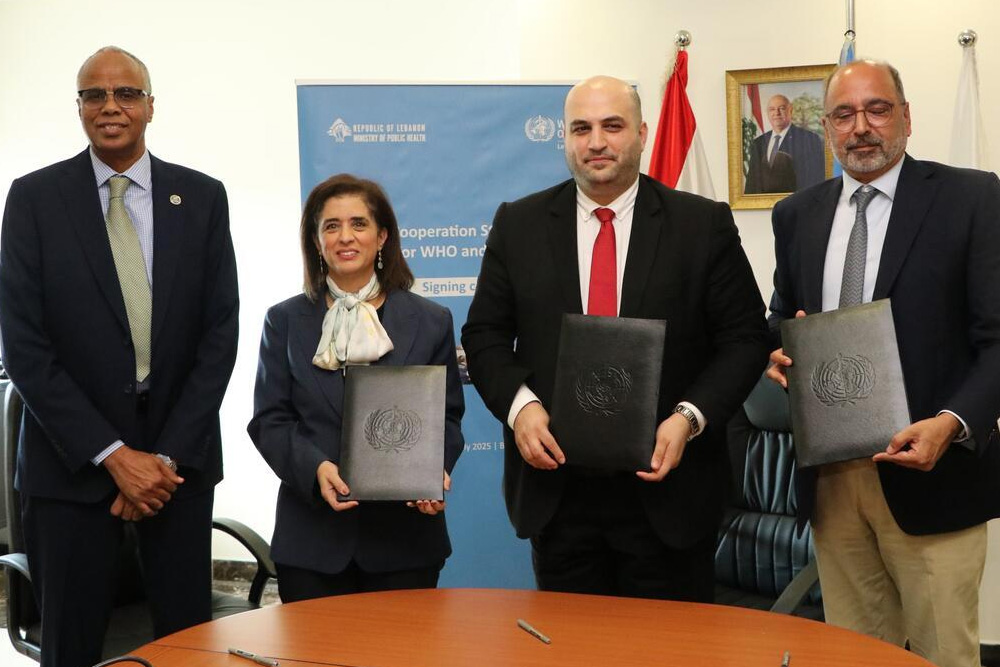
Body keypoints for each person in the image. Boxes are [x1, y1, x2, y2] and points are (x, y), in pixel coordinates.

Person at [461, 75, 768, 600]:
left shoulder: (701, 225)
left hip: (668, 489)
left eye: (612, 126)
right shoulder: (519, 224)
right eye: (581, 128)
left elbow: (745, 339)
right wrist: (520, 408)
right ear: (564, 137)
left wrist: (689, 417)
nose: (596, 142)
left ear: (643, 133)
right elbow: (484, 335)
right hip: (558, 494)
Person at [0, 46, 238, 667]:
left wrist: (158, 460)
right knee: (70, 648)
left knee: (187, 647)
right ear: (79, 108)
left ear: (150, 106)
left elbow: (219, 338)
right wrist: (113, 456)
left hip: (176, 468)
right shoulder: (32, 200)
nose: (111, 106)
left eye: (126, 93)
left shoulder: (203, 198)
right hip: (71, 468)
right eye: (94, 95)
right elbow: (23, 346)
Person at [766, 60, 1000, 667]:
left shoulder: (972, 198)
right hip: (834, 483)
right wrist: (775, 349)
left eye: (877, 109)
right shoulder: (796, 215)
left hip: (933, 475)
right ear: (829, 128)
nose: (861, 127)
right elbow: (781, 314)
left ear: (905, 117)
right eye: (843, 114)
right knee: (855, 654)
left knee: (941, 655)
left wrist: (952, 421)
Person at [247, 174, 464, 602]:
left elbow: (447, 417)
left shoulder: (431, 320)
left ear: (382, 236)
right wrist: (315, 470)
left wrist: (431, 474)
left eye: (359, 224)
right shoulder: (284, 321)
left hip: (404, 541)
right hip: (312, 540)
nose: (345, 237)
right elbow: (270, 419)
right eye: (331, 226)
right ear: (316, 240)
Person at [745, 94, 826, 194]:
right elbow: (752, 183)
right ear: (767, 113)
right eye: (772, 109)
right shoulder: (758, 143)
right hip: (762, 206)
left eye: (781, 108)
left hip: (797, 204)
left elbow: (815, 178)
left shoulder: (809, 139)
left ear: (790, 111)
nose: (776, 113)